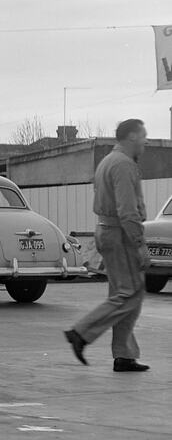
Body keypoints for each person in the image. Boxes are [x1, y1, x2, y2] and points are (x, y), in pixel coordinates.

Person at [65, 118, 151, 372]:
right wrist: (139, 244)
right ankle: (81, 333)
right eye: (143, 135)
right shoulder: (123, 165)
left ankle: (124, 355)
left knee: (125, 294)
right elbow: (127, 211)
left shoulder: (108, 161)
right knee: (129, 293)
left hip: (108, 230)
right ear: (132, 137)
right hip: (120, 233)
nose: (146, 140)